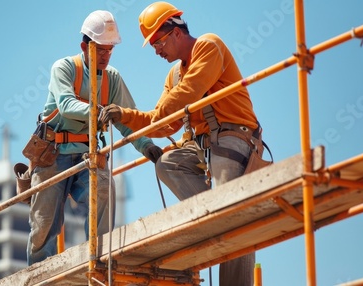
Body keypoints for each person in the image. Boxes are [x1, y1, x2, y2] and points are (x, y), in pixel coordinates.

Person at [100, 2, 265, 285]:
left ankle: (224, 229)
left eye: (158, 42)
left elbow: (186, 95)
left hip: (232, 139)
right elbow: (166, 124)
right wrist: (124, 115)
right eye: (152, 45)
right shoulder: (174, 74)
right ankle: (211, 220)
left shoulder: (209, 47)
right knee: (167, 163)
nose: (156, 50)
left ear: (176, 32)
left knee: (234, 216)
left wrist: (153, 113)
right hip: (201, 146)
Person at [27, 10, 163, 265]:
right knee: (43, 225)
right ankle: (37, 275)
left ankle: (98, 259)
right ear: (84, 46)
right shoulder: (65, 68)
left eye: (110, 49)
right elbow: (66, 105)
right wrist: (99, 112)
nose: (105, 55)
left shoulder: (112, 78)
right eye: (100, 49)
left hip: (86, 153)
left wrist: (146, 146)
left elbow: (126, 120)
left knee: (103, 190)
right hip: (52, 155)